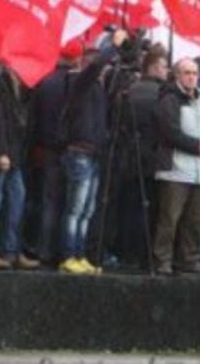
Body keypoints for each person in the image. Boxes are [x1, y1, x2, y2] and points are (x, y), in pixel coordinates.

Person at [57, 31, 125, 275]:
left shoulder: (97, 87)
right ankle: (68, 254)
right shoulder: (80, 82)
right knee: (75, 209)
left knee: (87, 210)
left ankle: (80, 254)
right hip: (80, 152)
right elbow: (97, 65)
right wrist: (113, 45)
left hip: (94, 153)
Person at [153, 58, 200, 276]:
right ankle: (162, 260)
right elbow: (170, 131)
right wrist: (196, 147)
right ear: (177, 75)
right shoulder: (168, 100)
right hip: (175, 169)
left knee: (195, 221)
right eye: (187, 72)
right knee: (169, 219)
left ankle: (190, 260)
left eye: (194, 72)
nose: (192, 76)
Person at [0, 63, 39, 270]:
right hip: (3, 152)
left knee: (16, 201)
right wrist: (1, 151)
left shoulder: (21, 86)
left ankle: (11, 250)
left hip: (15, 153)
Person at [113, 45, 167, 269]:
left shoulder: (129, 91)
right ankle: (145, 255)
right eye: (164, 66)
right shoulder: (163, 94)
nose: (167, 71)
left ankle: (127, 254)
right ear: (154, 67)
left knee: (129, 207)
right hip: (153, 157)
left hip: (129, 157)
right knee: (152, 209)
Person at [31, 41, 81, 265]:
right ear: (77, 59)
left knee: (49, 202)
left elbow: (35, 116)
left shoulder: (46, 82)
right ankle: (65, 252)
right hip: (71, 148)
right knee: (71, 205)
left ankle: (44, 250)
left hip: (47, 149)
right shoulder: (78, 84)